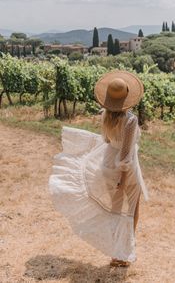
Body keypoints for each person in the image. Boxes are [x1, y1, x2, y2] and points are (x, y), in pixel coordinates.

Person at [49, 70, 149, 267]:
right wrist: (122, 177)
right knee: (132, 208)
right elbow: (126, 152)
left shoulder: (105, 115)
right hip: (125, 168)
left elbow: (106, 140)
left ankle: (115, 251)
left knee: (115, 208)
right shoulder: (130, 120)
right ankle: (123, 253)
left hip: (107, 164)